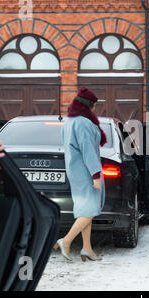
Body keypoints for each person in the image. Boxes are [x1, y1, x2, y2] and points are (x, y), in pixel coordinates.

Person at [55, 87, 107, 262]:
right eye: (94, 106)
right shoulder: (84, 123)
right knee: (90, 210)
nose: (94, 109)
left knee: (85, 209)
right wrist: (95, 175)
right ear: (89, 105)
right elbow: (88, 151)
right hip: (85, 171)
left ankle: (87, 248)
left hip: (74, 170)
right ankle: (66, 241)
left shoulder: (69, 121)